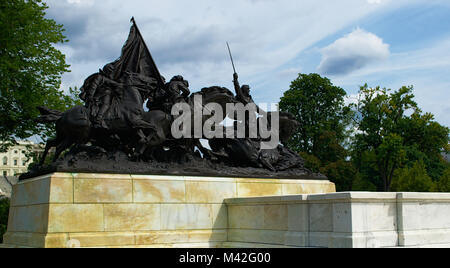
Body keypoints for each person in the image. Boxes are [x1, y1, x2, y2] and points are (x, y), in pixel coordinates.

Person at [79, 63, 121, 128]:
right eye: (110, 71)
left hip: (110, 95)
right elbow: (94, 86)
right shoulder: (100, 77)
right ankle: (98, 120)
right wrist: (90, 96)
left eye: (112, 71)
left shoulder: (110, 79)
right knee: (106, 105)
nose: (111, 73)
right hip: (101, 95)